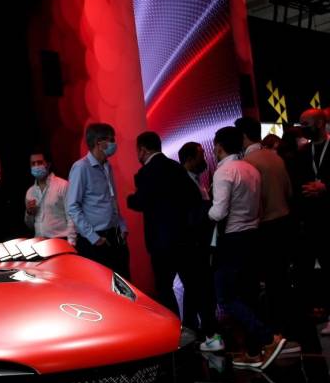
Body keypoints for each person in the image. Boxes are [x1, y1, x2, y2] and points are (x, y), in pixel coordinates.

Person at [209, 126, 285, 369]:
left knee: (226, 295)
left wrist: (202, 214)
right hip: (253, 235)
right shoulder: (250, 168)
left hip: (232, 239)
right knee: (249, 294)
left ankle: (268, 338)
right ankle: (254, 351)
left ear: (218, 147)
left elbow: (219, 212)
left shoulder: (224, 172)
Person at [290, 108, 330, 335]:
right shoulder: (302, 152)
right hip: (311, 221)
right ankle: (328, 313)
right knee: (319, 271)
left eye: (305, 123)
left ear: (319, 123)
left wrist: (326, 187)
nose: (302, 127)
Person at [234, 117, 296, 346]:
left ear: (242, 136)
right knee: (280, 278)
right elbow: (289, 191)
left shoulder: (247, 163)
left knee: (265, 281)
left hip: (264, 227)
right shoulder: (275, 156)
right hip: (284, 222)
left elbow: (250, 201)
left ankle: (271, 332)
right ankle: (287, 325)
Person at [126, 131, 202, 316]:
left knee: (164, 287)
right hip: (184, 237)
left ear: (143, 150)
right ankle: (192, 325)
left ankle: (174, 325)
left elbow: (141, 201)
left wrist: (130, 199)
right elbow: (195, 196)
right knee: (191, 284)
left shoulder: (145, 172)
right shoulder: (176, 167)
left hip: (160, 242)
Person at [66, 124, 130, 277]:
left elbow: (111, 199)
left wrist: (122, 225)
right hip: (95, 240)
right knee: (104, 284)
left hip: (114, 235)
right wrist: (93, 237)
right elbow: (72, 206)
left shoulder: (107, 166)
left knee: (124, 281)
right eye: (111, 140)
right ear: (99, 142)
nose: (114, 144)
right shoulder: (81, 167)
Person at [177, 141, 217, 344]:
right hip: (191, 246)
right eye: (201, 155)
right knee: (197, 287)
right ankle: (206, 330)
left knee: (194, 289)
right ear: (189, 159)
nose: (205, 158)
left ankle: (193, 330)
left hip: (201, 245)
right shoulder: (183, 183)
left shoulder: (198, 180)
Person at [24, 149, 75, 244]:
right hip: (39, 242)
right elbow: (30, 225)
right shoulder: (30, 192)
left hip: (60, 240)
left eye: (39, 162)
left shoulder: (62, 185)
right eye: (33, 164)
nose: (36, 166)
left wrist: (71, 242)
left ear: (48, 164)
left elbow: (71, 216)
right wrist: (29, 213)